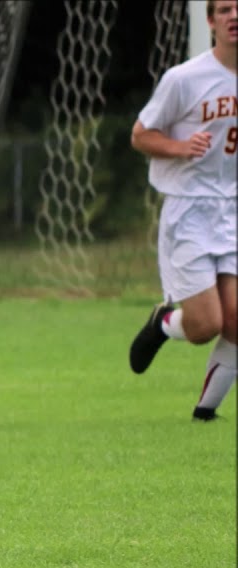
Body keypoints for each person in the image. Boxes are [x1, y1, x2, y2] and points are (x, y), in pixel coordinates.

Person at [128, 0, 237, 422]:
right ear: (210, 21)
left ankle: (205, 413)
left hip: (234, 210)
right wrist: (179, 148)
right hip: (190, 211)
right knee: (206, 323)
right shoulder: (185, 79)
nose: (234, 17)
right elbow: (141, 135)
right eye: (225, 10)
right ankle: (164, 322)